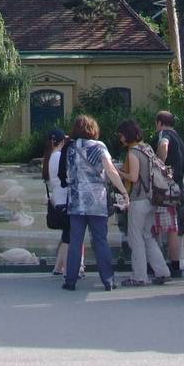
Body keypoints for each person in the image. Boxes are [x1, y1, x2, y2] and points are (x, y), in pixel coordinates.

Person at [61, 114, 127, 292]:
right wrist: (123, 190)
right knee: (100, 240)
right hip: (96, 201)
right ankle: (108, 280)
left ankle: (70, 281)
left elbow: (68, 173)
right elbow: (111, 170)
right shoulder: (99, 147)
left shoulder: (71, 148)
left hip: (75, 201)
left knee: (75, 241)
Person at [118, 118, 171, 286]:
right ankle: (162, 271)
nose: (120, 139)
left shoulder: (133, 152)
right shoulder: (146, 148)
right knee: (148, 236)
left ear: (127, 135)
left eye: (121, 135)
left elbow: (133, 177)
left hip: (138, 199)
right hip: (152, 198)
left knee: (135, 238)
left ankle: (140, 276)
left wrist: (118, 173)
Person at [155, 110, 184, 278]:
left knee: (160, 226)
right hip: (179, 185)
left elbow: (163, 145)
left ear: (160, 122)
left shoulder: (164, 133)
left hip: (166, 186)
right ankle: (176, 266)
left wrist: (159, 163)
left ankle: (157, 263)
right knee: (173, 227)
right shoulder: (179, 138)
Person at [43, 128, 79, 279]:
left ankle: (58, 267)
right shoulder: (58, 156)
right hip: (64, 199)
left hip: (57, 199)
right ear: (61, 141)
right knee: (69, 236)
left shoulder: (50, 156)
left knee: (66, 234)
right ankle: (67, 270)